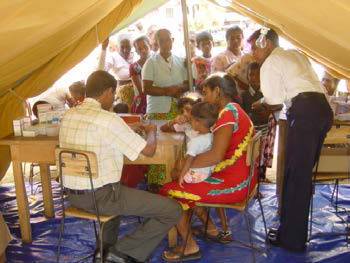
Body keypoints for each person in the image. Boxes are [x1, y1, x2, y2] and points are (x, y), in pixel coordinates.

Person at [59, 70, 182, 263]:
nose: (113, 99)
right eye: (113, 94)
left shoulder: (69, 115)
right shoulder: (108, 119)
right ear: (108, 92)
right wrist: (151, 130)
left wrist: (129, 128)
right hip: (101, 197)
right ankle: (122, 251)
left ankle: (103, 253)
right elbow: (148, 150)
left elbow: (101, 131)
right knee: (172, 210)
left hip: (72, 194)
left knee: (116, 196)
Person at [249, 28, 333, 252]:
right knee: (296, 174)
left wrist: (261, 104)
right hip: (322, 110)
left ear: (265, 43)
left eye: (253, 47)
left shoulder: (270, 62)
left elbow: (274, 101)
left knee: (297, 177)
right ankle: (289, 230)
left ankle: (293, 239)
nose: (252, 53)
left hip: (305, 112)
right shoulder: (294, 53)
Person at [160, 73, 257, 262]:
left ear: (217, 91)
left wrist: (183, 166)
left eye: (206, 93)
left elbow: (215, 155)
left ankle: (189, 246)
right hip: (243, 178)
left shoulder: (227, 115)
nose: (203, 98)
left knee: (169, 190)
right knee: (185, 181)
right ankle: (211, 229)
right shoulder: (234, 110)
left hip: (234, 184)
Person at [142, 28, 189, 186]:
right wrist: (167, 91)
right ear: (156, 43)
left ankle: (174, 180)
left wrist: (179, 89)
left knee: (178, 145)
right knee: (158, 147)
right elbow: (146, 88)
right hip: (158, 111)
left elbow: (188, 83)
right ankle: (157, 184)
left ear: (172, 40)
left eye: (167, 39)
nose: (165, 43)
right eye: (161, 40)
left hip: (176, 110)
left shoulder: (180, 61)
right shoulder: (151, 62)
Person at [175, 102, 218, 186]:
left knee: (174, 171)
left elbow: (188, 161)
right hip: (208, 173)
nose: (190, 122)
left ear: (197, 122)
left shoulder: (196, 141)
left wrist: (181, 176)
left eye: (191, 120)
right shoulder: (212, 136)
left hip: (196, 176)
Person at [129, 36, 151, 114]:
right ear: (137, 51)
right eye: (140, 49)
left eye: (145, 47)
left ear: (150, 46)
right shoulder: (134, 67)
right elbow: (142, 90)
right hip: (142, 102)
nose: (143, 50)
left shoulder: (158, 63)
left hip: (157, 98)